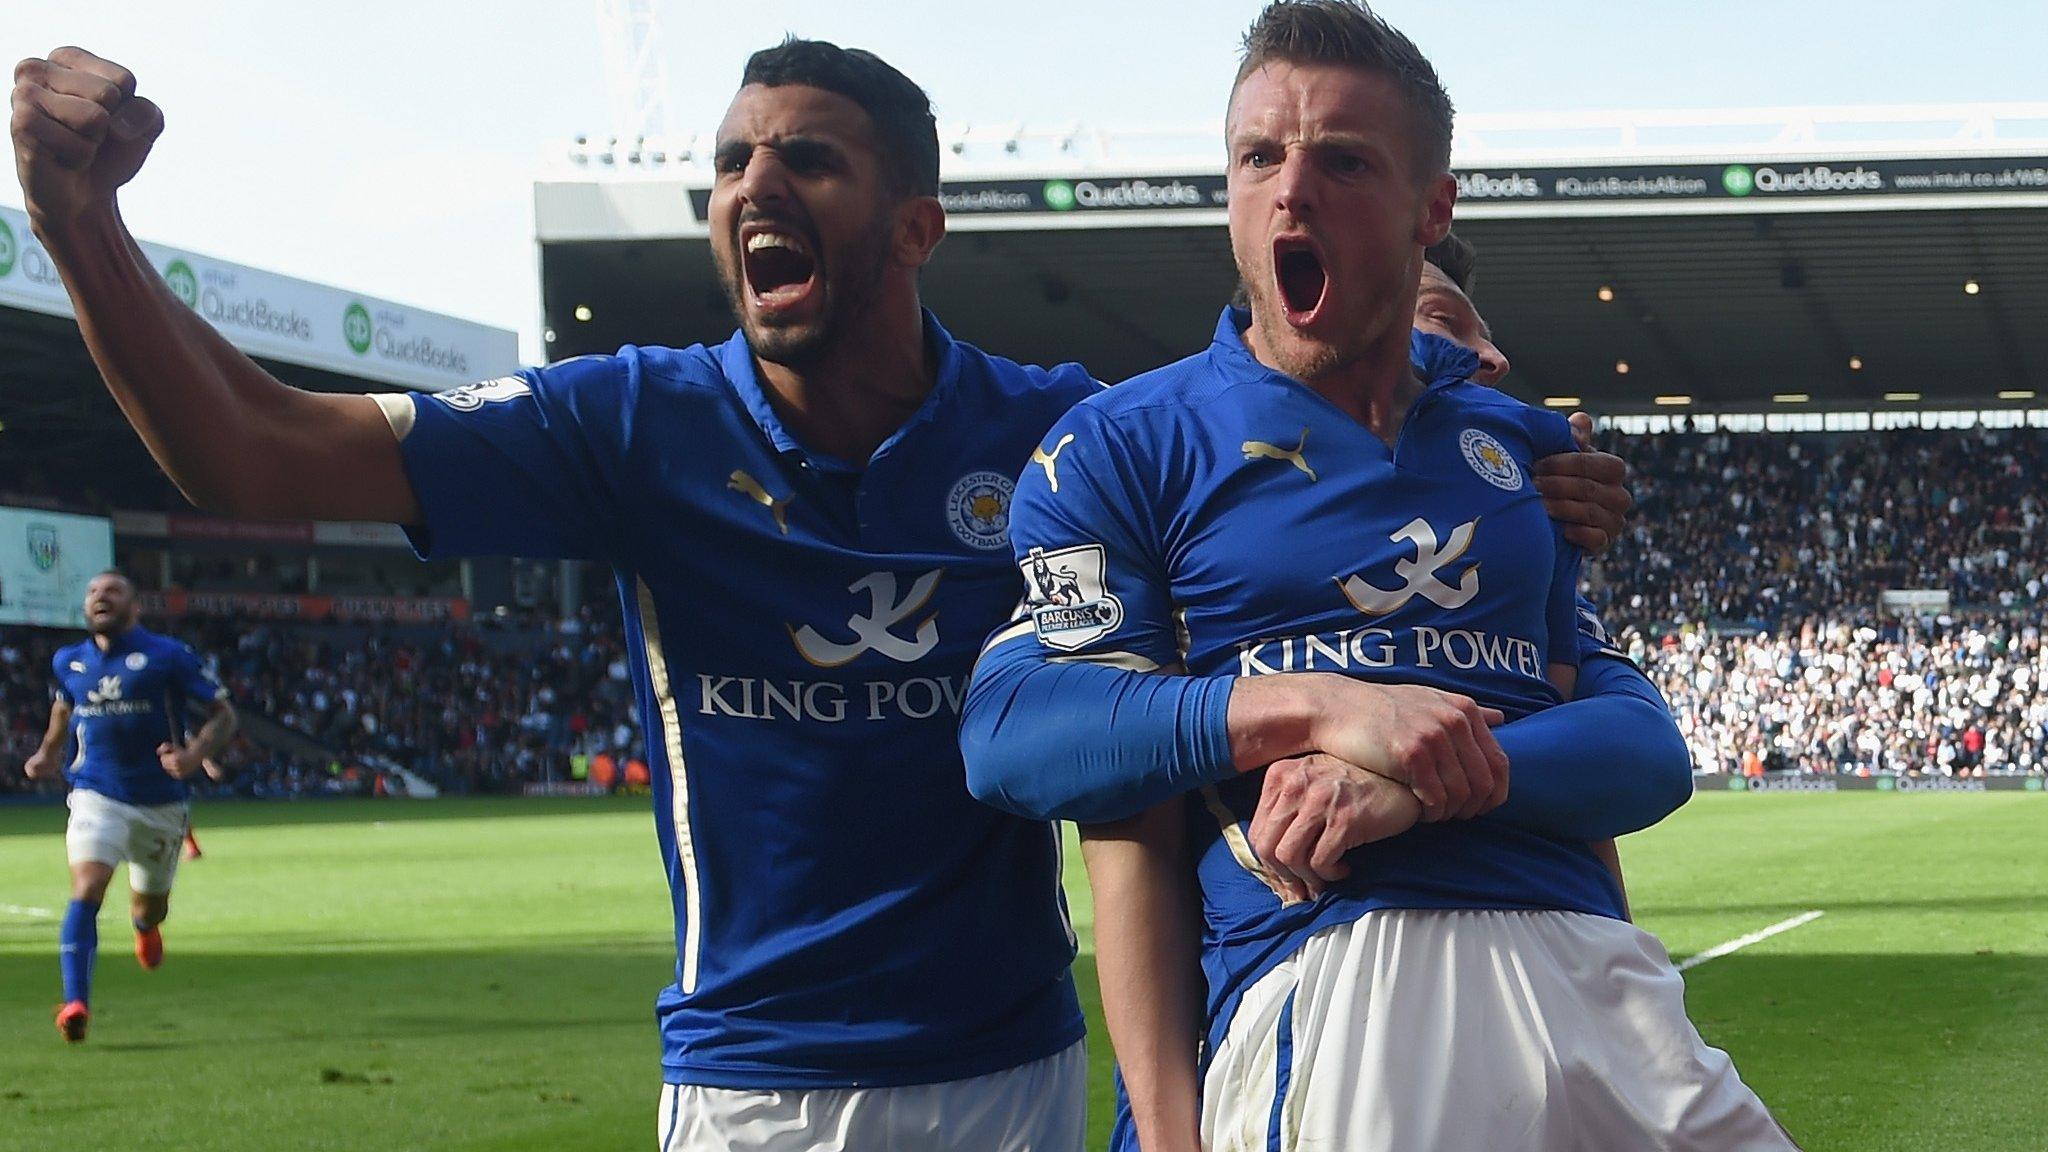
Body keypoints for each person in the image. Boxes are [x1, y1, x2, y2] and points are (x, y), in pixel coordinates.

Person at [13, 37, 1629, 1148]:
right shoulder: (632, 422)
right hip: (757, 1090)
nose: (750, 185)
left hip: (1013, 1073)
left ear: (917, 220)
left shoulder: (1056, 434)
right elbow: (253, 451)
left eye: (806, 160)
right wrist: (80, 226)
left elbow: (1286, 419)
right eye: (728, 164)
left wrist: (1506, 458)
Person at [961, 3, 1796, 1148]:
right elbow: (1017, 732)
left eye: (1341, 161)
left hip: (1598, 976)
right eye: (1258, 156)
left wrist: (1412, 778)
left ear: (1430, 209)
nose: (1289, 191)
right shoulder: (1121, 444)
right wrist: (1322, 708)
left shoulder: (1521, 456)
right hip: (1338, 965)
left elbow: (1638, 753)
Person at [22, 570, 237, 1043]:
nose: (101, 597)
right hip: (95, 793)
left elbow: (224, 714)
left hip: (160, 803)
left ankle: (145, 926)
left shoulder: (168, 656)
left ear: (134, 607)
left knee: (150, 905)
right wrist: (48, 753)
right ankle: (75, 1001)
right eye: (94, 592)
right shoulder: (69, 661)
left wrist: (194, 756)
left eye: (113, 591)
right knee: (87, 887)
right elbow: (63, 708)